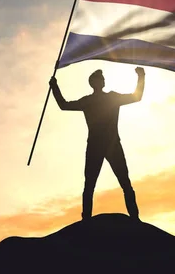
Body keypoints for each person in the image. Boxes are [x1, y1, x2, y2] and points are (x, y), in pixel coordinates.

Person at [49, 67, 145, 221]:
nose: (102, 80)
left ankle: (134, 217)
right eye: (99, 79)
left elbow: (136, 97)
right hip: (99, 146)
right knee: (91, 185)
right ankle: (86, 218)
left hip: (110, 144)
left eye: (102, 78)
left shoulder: (107, 98)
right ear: (94, 83)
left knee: (124, 182)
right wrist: (54, 86)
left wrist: (141, 76)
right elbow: (64, 105)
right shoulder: (90, 101)